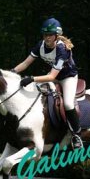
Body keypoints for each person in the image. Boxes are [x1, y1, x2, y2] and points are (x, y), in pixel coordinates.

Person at [12, 17, 83, 149]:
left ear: (57, 36)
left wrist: (31, 79)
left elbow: (51, 76)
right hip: (53, 76)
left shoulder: (62, 50)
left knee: (67, 104)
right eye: (45, 34)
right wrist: (11, 72)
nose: (47, 37)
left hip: (67, 77)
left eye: (50, 35)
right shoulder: (41, 45)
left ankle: (76, 134)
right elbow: (26, 63)